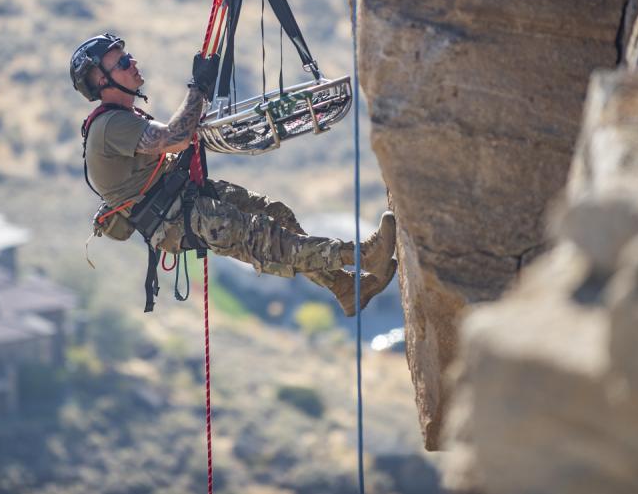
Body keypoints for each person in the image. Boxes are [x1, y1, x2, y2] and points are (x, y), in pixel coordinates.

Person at [71, 33, 397, 315]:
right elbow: (174, 138)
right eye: (123, 62)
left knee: (275, 215)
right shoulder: (110, 126)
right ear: (103, 80)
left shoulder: (124, 117)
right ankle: (364, 256)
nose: (133, 62)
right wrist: (197, 87)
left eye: (129, 57)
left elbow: (174, 140)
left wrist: (200, 95)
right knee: (269, 240)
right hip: (173, 219)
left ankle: (344, 287)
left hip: (182, 201)